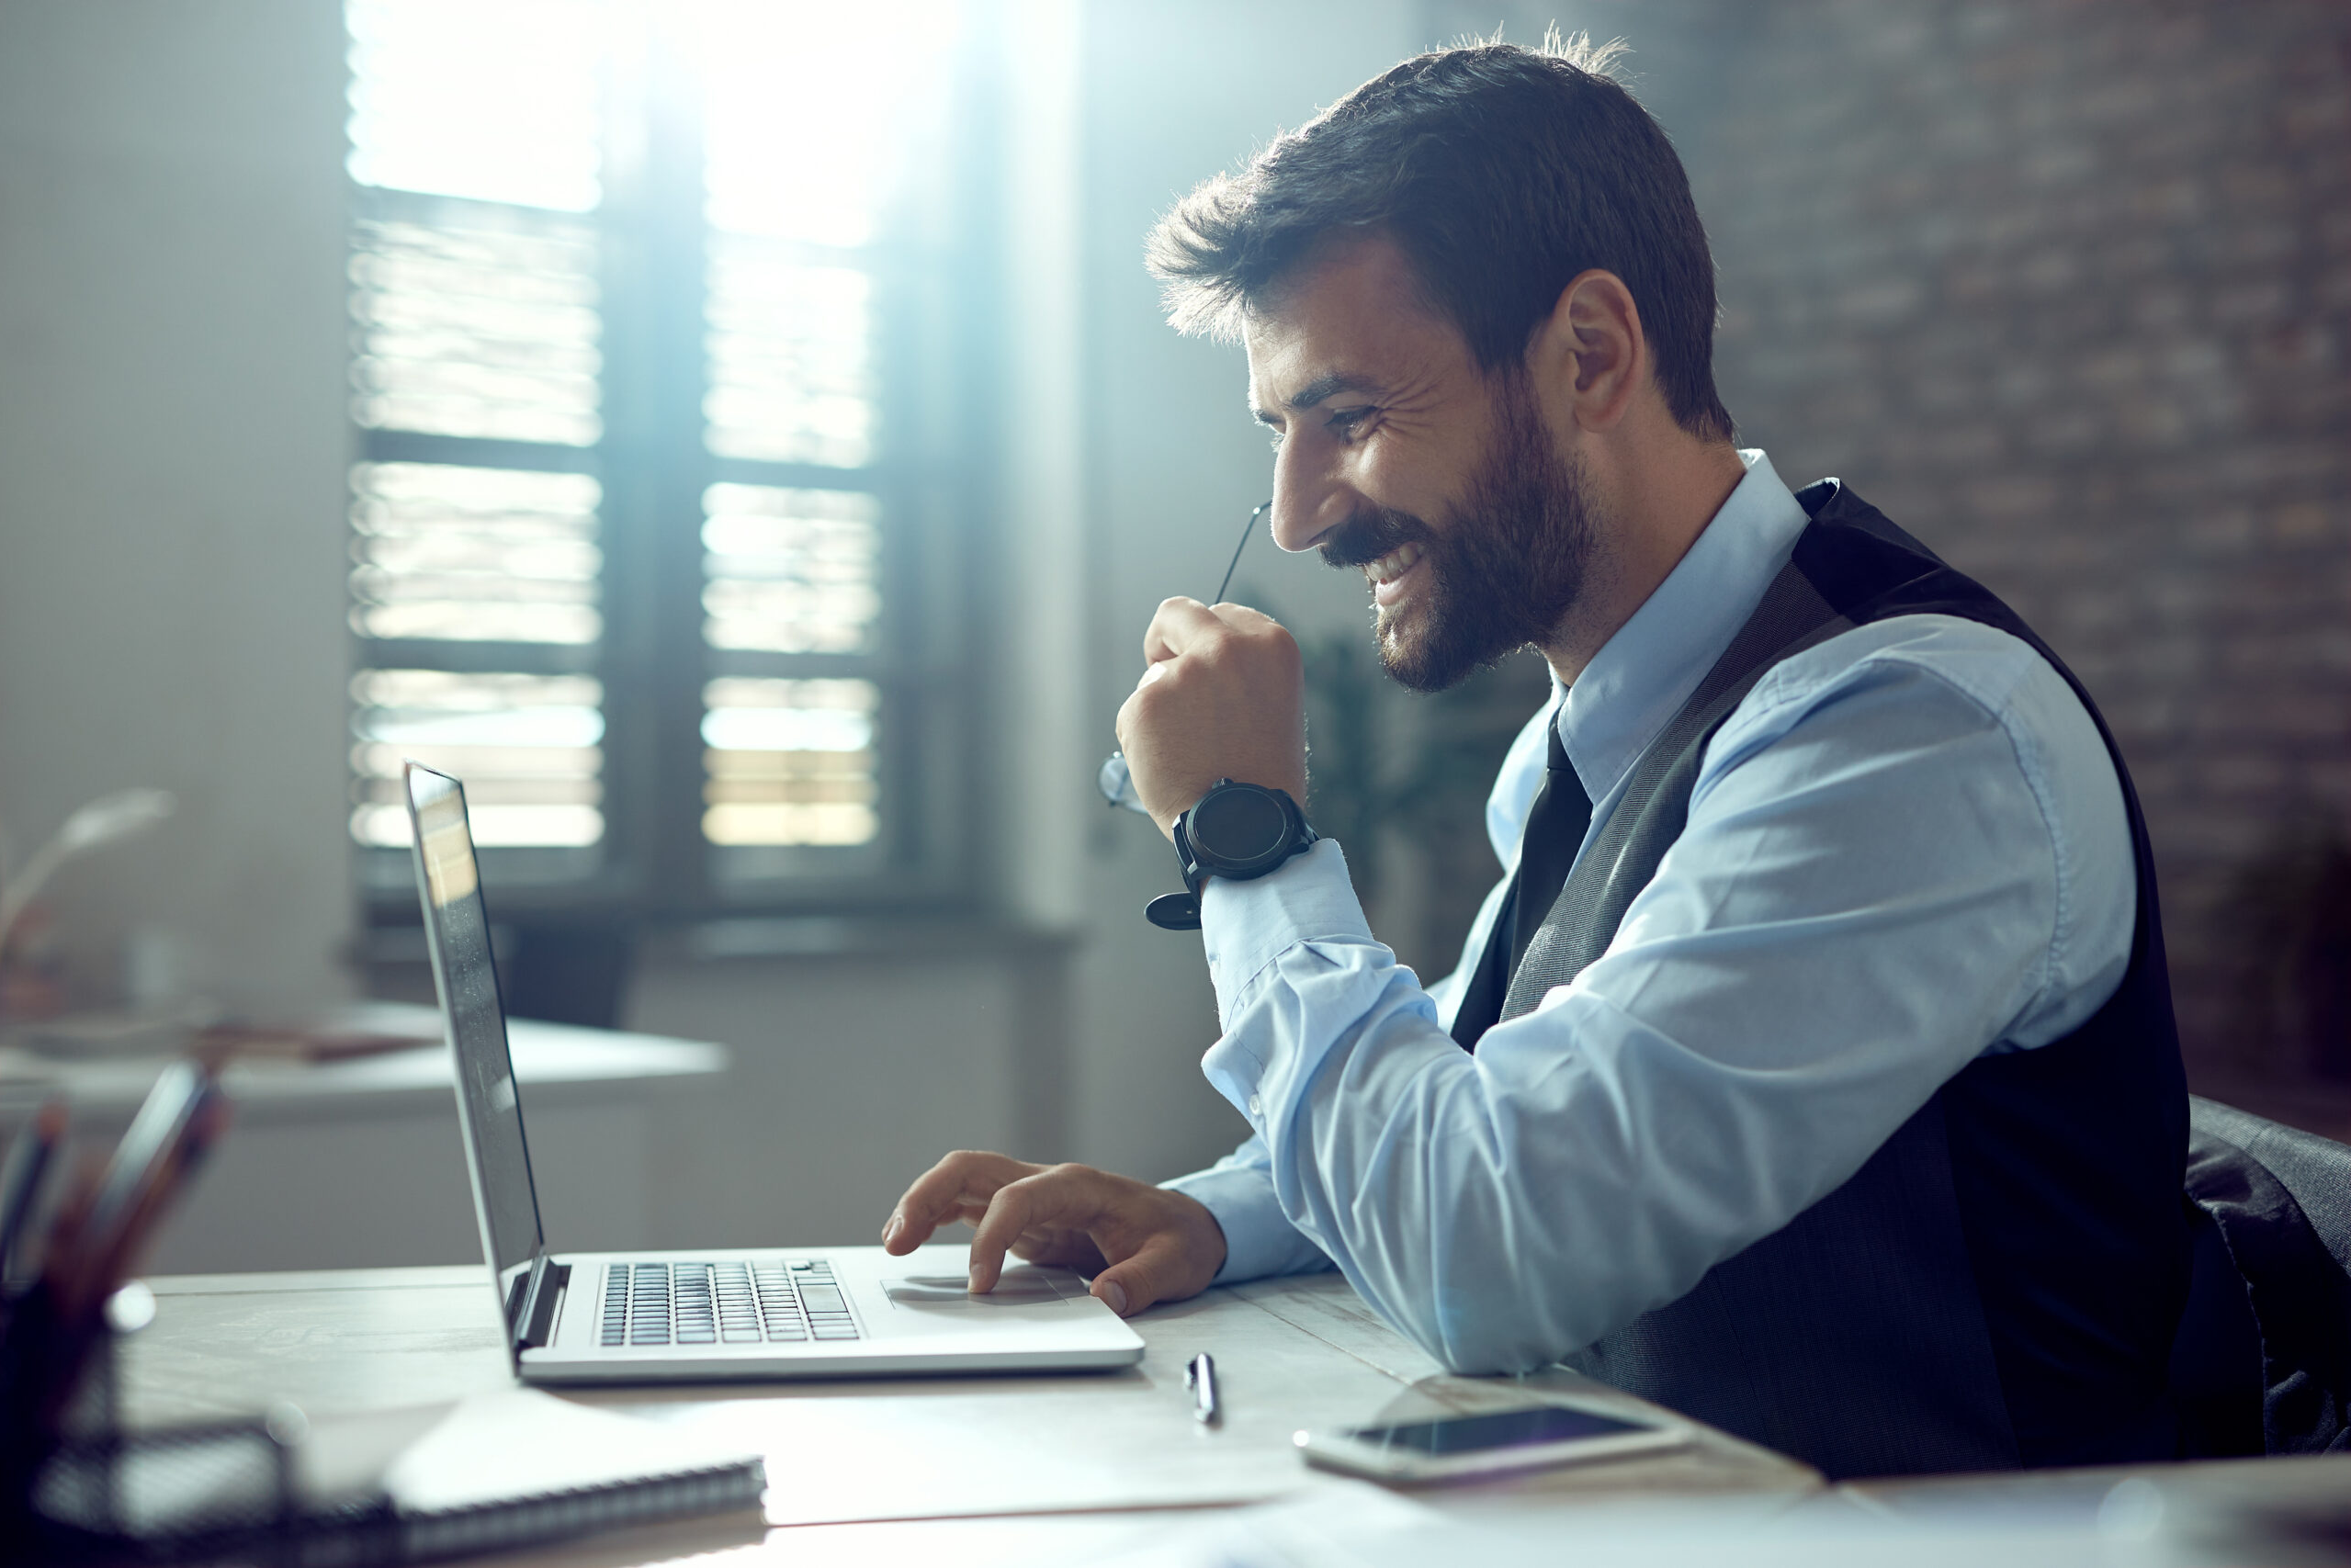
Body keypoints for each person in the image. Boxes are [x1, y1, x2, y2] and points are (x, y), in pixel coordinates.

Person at [882, 37, 2193, 1478]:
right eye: (1279, 433)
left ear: (1590, 355)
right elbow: (1467, 1098)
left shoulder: (1910, 738)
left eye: (1353, 417)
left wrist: (1246, 839)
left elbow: (1483, 1252)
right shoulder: (1587, 751)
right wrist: (1209, 1216)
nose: (1303, 516)